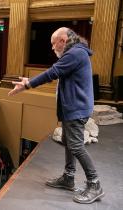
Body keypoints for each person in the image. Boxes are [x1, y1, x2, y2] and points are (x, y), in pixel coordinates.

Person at [8, 27, 104, 204]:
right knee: (69, 143)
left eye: (54, 44)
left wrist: (28, 84)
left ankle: (95, 183)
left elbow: (52, 72)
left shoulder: (75, 53)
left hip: (76, 109)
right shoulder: (76, 52)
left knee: (75, 146)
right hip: (73, 109)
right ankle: (69, 178)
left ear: (63, 40)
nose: (53, 48)